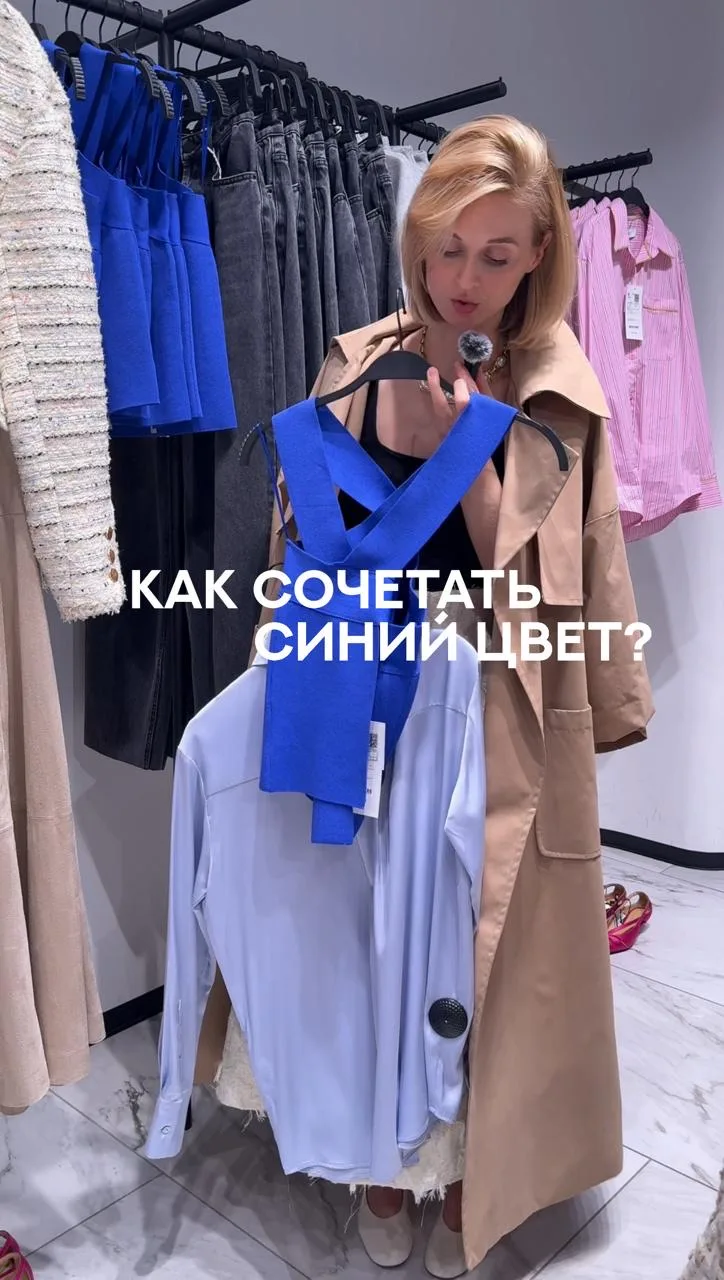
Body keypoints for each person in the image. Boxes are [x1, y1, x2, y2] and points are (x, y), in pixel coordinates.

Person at [197, 113, 653, 1278]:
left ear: (540, 254)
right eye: (447, 247)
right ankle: (378, 1164)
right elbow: (302, 547)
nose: (465, 278)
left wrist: (475, 458)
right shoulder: (356, 361)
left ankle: (466, 1179)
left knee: (470, 948)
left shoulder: (559, 391)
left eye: (496, 254)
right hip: (362, 697)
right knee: (360, 933)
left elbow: (548, 597)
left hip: (490, 713)